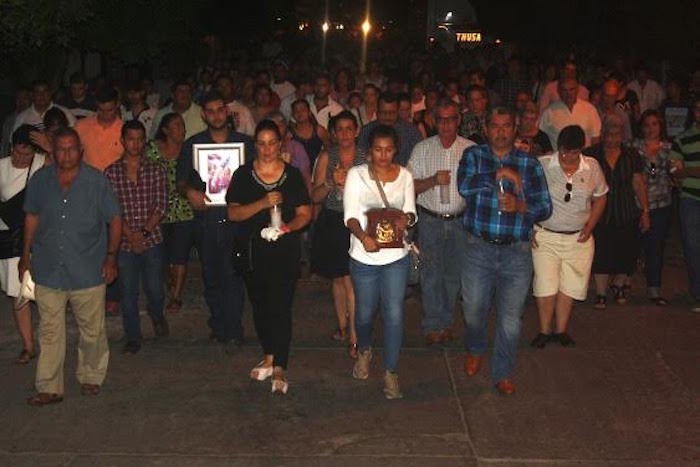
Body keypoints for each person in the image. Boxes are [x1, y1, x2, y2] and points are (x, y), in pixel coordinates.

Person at [21, 127, 122, 406]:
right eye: (60, 149)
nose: (66, 154)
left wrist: (111, 257)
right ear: (53, 151)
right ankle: (49, 385)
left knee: (92, 330)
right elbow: (31, 217)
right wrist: (25, 256)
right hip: (48, 265)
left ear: (81, 151)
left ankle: (91, 376)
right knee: (50, 330)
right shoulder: (41, 180)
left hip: (87, 266)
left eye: (71, 148)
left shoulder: (96, 181)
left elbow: (115, 219)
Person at [457, 107, 552, 395]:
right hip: (478, 248)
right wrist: (497, 174)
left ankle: (502, 372)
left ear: (515, 129)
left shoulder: (530, 164)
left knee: (511, 318)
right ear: (486, 129)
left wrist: (522, 206)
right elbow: (463, 186)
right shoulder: (474, 156)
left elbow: (546, 207)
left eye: (506, 125)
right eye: (495, 126)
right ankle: (475, 347)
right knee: (473, 310)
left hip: (516, 252)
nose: (500, 131)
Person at [226, 119, 312, 395]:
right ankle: (269, 354)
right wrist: (262, 203)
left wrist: (289, 227)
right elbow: (233, 213)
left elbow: (305, 213)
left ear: (280, 144)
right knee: (260, 305)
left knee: (281, 306)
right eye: (261, 144)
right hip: (253, 251)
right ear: (255, 146)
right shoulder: (242, 175)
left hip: (283, 251)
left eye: (272, 143)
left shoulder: (293, 175)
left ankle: (280, 365)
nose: (267, 149)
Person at [344, 124, 417, 400]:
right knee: (364, 314)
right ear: (369, 151)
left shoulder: (405, 176)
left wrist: (406, 220)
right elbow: (350, 214)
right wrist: (363, 236)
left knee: (395, 313)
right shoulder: (357, 174)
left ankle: (391, 371)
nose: (383, 155)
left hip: (395, 256)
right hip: (364, 256)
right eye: (378, 149)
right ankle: (364, 349)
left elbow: (410, 211)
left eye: (388, 150)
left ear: (395, 150)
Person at [177, 92, 254, 351]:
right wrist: (190, 192)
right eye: (210, 111)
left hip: (237, 218)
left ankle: (233, 330)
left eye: (220, 110)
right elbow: (180, 181)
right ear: (203, 115)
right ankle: (218, 324)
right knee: (211, 277)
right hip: (206, 220)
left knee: (233, 276)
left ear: (228, 112)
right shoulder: (192, 145)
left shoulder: (246, 144)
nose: (216, 115)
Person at [531, 125, 608, 348]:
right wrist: (529, 228)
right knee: (546, 284)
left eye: (573, 152)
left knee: (570, 284)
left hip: (578, 238)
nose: (568, 156)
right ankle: (544, 330)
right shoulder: (544, 164)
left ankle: (561, 330)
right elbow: (527, 196)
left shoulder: (591, 166)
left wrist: (591, 224)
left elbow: (601, 196)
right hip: (546, 234)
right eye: (564, 151)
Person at [408, 99, 475, 346]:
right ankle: (432, 323)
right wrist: (432, 181)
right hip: (431, 219)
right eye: (441, 120)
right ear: (434, 122)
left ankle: (446, 321)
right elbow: (409, 186)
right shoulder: (423, 148)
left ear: (458, 121)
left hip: (459, 220)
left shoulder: (471, 149)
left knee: (453, 275)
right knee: (430, 273)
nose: (446, 125)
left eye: (451, 119)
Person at [105, 120, 169, 354]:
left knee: (154, 288)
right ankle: (133, 336)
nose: (135, 143)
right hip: (123, 242)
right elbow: (110, 211)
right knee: (128, 292)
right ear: (123, 141)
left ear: (145, 142)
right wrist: (130, 236)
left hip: (151, 240)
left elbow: (162, 206)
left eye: (139, 139)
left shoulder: (155, 169)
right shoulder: (111, 172)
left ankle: (156, 312)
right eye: (130, 138)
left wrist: (142, 233)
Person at [310, 111, 365, 357]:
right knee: (337, 278)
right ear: (333, 133)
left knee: (351, 279)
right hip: (332, 221)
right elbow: (314, 196)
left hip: (357, 220)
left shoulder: (366, 157)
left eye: (348, 128)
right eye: (339, 129)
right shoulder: (326, 157)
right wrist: (331, 182)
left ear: (356, 130)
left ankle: (354, 335)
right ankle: (343, 327)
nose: (343, 133)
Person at [585, 115, 650, 309]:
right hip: (600, 213)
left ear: (622, 135)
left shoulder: (631, 155)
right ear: (603, 134)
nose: (612, 138)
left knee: (627, 252)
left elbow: (638, 183)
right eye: (608, 134)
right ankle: (601, 292)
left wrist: (645, 210)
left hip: (626, 211)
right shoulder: (591, 155)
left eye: (616, 134)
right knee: (601, 254)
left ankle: (620, 284)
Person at [0, 126, 46, 364]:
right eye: (17, 153)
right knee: (21, 295)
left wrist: (48, 146)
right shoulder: (2, 166)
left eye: (26, 154)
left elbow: (68, 163)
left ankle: (51, 341)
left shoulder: (41, 162)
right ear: (11, 148)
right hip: (12, 241)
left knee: (46, 294)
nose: (21, 159)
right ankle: (28, 345)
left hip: (40, 239)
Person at [147, 113, 197, 313]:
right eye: (177, 125)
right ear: (165, 130)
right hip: (158, 210)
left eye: (183, 125)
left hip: (184, 210)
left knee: (180, 255)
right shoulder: (151, 149)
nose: (182, 129)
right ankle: (169, 282)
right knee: (162, 256)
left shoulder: (189, 151)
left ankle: (176, 296)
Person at [632, 110, 674, 305]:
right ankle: (624, 282)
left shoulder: (669, 148)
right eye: (647, 124)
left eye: (655, 124)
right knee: (633, 244)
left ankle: (654, 288)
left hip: (661, 203)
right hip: (636, 202)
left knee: (656, 246)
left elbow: (674, 174)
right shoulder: (633, 146)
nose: (651, 129)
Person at [669, 97, 700, 313]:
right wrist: (693, 171)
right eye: (698, 109)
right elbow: (674, 172)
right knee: (692, 248)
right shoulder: (682, 139)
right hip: (690, 199)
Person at [358, 92, 423, 167]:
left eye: (391, 113)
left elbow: (420, 158)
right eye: (383, 112)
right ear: (377, 110)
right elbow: (360, 159)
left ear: (398, 111)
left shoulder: (411, 131)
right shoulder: (366, 131)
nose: (387, 116)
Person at [539, 77, 601, 149]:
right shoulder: (549, 112)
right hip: (558, 156)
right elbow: (541, 138)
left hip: (584, 156)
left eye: (572, 89)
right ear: (559, 91)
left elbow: (595, 139)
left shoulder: (590, 109)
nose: (568, 93)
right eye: (564, 90)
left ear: (577, 90)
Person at [75, 87, 124, 172]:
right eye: (101, 110)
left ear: (117, 105)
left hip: (114, 182)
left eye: (109, 110)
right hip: (88, 180)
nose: (105, 114)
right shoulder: (81, 126)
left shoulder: (125, 130)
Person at [265, 111, 312, 193]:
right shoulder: (264, 149)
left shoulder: (296, 147)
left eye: (280, 125)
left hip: (295, 192)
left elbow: (306, 177)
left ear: (285, 127)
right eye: (274, 126)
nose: (277, 129)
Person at [290, 99, 330, 170]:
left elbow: (330, 148)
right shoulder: (289, 134)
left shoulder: (319, 130)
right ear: (293, 115)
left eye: (302, 109)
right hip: (298, 172)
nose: (299, 112)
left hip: (317, 169)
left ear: (309, 112)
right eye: (296, 111)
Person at [1, 87, 32, 157]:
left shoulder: (35, 118)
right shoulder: (9, 119)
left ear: (30, 99)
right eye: (18, 98)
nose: (21, 101)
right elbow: (4, 142)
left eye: (24, 98)